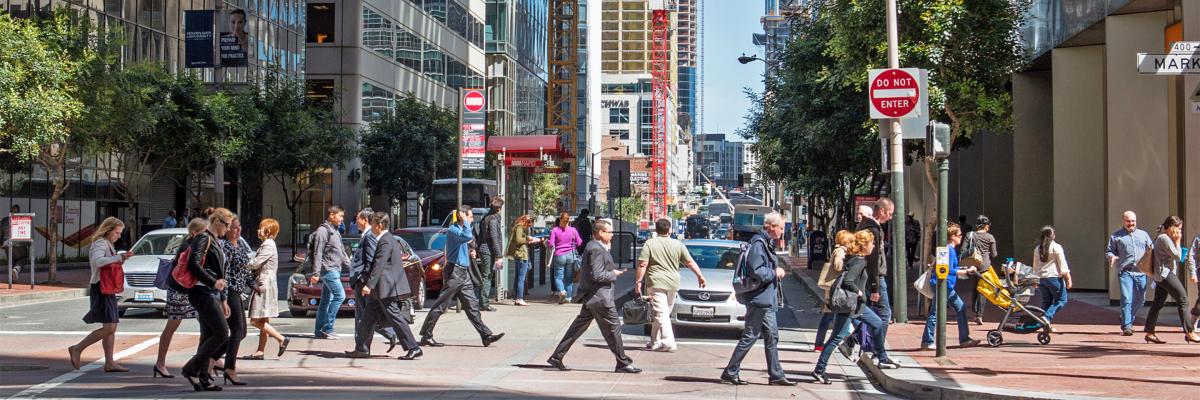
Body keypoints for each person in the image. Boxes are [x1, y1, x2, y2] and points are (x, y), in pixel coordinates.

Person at [547, 219, 641, 374]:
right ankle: (623, 363)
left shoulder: (596, 246)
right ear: (600, 232)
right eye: (609, 232)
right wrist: (613, 274)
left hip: (593, 297)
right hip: (600, 297)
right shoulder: (596, 249)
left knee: (577, 328)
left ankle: (557, 356)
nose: (612, 235)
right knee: (614, 328)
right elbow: (596, 275)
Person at [811, 229, 900, 385]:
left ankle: (882, 357)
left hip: (857, 306)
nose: (873, 246)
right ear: (864, 245)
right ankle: (819, 370)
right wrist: (859, 292)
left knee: (878, 323)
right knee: (835, 338)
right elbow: (848, 281)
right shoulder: (859, 261)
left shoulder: (855, 258)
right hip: (850, 305)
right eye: (871, 243)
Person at [720, 212, 792, 385]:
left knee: (772, 336)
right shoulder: (759, 243)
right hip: (759, 298)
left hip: (766, 299)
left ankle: (776, 375)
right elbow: (756, 270)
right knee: (751, 335)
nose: (783, 231)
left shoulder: (765, 242)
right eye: (781, 228)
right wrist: (775, 272)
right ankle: (730, 372)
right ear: (771, 227)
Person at [419, 205, 505, 347]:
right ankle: (426, 335)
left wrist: (472, 249)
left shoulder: (463, 229)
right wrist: (465, 222)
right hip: (454, 272)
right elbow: (467, 236)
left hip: (463, 273)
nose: (471, 220)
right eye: (470, 217)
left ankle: (485, 335)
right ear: (462, 216)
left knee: (472, 306)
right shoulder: (453, 230)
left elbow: (471, 241)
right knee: (440, 305)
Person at [350, 212, 423, 360]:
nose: (372, 228)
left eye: (374, 225)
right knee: (367, 318)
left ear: (380, 225)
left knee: (396, 318)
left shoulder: (385, 240)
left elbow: (379, 265)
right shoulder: (387, 239)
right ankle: (362, 348)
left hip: (386, 288)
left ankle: (413, 347)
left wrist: (369, 285)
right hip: (381, 289)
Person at [68, 217, 134, 373]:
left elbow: (107, 263)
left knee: (111, 326)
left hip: (107, 287)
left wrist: (120, 259)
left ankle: (109, 362)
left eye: (120, 233)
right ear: (108, 230)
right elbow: (98, 261)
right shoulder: (100, 243)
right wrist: (118, 257)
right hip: (101, 287)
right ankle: (77, 348)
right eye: (117, 232)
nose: (119, 235)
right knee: (109, 327)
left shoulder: (107, 244)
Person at [180, 208, 233, 392]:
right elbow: (193, 264)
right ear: (217, 222)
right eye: (227, 225)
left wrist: (223, 297)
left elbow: (221, 272)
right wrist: (214, 282)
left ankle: (202, 376)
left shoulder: (215, 240)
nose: (228, 229)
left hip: (210, 292)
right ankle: (191, 369)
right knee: (222, 334)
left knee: (210, 335)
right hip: (201, 292)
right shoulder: (204, 238)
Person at [635, 218, 706, 352]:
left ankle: (668, 341)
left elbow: (643, 264)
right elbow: (690, 262)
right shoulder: (678, 244)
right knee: (663, 313)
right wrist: (700, 276)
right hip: (673, 283)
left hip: (655, 282)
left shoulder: (650, 243)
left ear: (656, 230)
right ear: (669, 230)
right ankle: (655, 341)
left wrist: (638, 281)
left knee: (661, 313)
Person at [153, 218, 208, 378]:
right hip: (180, 290)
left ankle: (205, 359)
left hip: (187, 290)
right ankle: (160, 363)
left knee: (206, 324)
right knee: (173, 325)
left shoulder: (192, 245)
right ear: (194, 233)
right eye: (203, 232)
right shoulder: (188, 246)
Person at [345, 208, 400, 354]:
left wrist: (364, 280)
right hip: (365, 281)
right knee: (367, 315)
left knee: (364, 316)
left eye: (358, 218)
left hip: (364, 282)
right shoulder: (368, 235)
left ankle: (364, 347)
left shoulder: (369, 236)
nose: (355, 221)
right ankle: (364, 346)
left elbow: (371, 260)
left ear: (365, 220)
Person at [920, 223, 980, 350]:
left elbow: (951, 268)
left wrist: (965, 268)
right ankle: (927, 341)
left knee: (961, 307)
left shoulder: (949, 250)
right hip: (943, 285)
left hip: (946, 285)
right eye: (959, 235)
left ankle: (964, 339)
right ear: (952, 237)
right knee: (935, 313)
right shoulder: (949, 250)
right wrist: (965, 271)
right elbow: (945, 270)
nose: (961, 237)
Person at [1143, 216, 1199, 344]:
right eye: (1178, 228)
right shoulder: (1164, 238)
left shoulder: (1163, 238)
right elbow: (1178, 256)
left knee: (1157, 303)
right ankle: (1189, 332)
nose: (1180, 231)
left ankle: (1150, 332)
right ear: (1171, 227)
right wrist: (1178, 241)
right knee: (1183, 299)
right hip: (1165, 274)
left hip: (1160, 275)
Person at [243, 218, 289, 360]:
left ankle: (281, 339)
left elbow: (255, 263)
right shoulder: (267, 244)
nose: (258, 230)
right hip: (267, 282)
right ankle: (260, 351)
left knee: (255, 321)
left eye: (261, 228)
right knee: (264, 320)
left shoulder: (268, 245)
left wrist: (242, 264)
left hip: (263, 284)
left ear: (268, 231)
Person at [215, 216, 253, 385]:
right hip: (229, 292)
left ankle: (211, 358)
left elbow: (243, 269)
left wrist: (252, 284)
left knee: (242, 332)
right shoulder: (226, 247)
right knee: (237, 330)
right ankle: (229, 368)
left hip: (238, 292)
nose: (238, 230)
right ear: (227, 229)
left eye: (239, 227)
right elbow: (225, 274)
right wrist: (223, 299)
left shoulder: (240, 246)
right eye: (234, 227)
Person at [1106, 211, 1154, 336]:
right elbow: (1109, 251)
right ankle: (1127, 326)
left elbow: (1151, 250)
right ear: (1123, 221)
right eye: (1128, 221)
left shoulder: (1143, 235)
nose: (1131, 223)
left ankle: (1126, 317)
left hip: (1140, 272)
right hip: (1125, 272)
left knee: (1141, 299)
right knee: (1126, 298)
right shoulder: (1116, 236)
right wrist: (1112, 257)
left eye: (1133, 221)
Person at [856, 199, 894, 344]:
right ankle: (878, 349)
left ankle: (856, 340)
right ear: (882, 211)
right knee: (885, 314)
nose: (890, 217)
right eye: (889, 214)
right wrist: (874, 287)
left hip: (867, 275)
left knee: (864, 311)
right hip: (875, 276)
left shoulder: (867, 226)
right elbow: (872, 260)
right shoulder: (873, 229)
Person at [310, 206, 350, 339]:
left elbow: (342, 252)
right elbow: (318, 252)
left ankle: (319, 330)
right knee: (340, 295)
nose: (342, 219)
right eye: (340, 216)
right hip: (328, 269)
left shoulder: (335, 231)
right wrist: (315, 273)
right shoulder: (322, 230)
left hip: (335, 269)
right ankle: (328, 327)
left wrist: (351, 268)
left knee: (326, 300)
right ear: (332, 215)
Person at [813, 230, 854, 353]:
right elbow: (838, 266)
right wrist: (849, 264)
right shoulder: (840, 251)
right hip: (835, 289)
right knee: (829, 316)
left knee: (830, 316)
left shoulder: (838, 250)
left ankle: (820, 344)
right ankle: (821, 344)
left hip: (834, 289)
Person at [1032, 226, 1071, 326]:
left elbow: (1035, 266)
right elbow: (1063, 264)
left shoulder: (1037, 249)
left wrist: (1034, 279)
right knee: (1061, 300)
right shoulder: (1056, 247)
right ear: (1053, 235)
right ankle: (1046, 317)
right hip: (1054, 278)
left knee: (1046, 302)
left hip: (1041, 279)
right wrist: (1068, 279)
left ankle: (1041, 323)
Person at [968, 215, 999, 325]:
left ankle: (975, 311)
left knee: (975, 288)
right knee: (983, 290)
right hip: (985, 266)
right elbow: (994, 254)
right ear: (986, 226)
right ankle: (979, 315)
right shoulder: (990, 237)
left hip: (973, 265)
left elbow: (964, 249)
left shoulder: (971, 235)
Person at [505, 215, 543, 306]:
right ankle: (520, 298)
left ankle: (517, 297)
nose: (528, 227)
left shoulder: (518, 227)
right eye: (529, 225)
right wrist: (528, 238)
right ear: (525, 222)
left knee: (518, 277)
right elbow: (519, 240)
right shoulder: (520, 227)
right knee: (521, 278)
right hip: (522, 255)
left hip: (519, 254)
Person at [474, 199, 504, 311]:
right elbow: (494, 237)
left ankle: (483, 301)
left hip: (484, 249)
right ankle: (484, 303)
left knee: (487, 275)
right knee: (487, 276)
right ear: (498, 209)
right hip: (488, 250)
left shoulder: (486, 217)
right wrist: (499, 254)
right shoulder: (493, 219)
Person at [548, 212, 583, 304]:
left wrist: (549, 243)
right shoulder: (573, 230)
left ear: (560, 219)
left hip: (559, 255)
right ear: (569, 220)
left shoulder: (555, 230)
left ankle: (562, 291)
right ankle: (568, 298)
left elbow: (551, 244)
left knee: (558, 277)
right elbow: (579, 243)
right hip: (570, 255)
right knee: (569, 278)